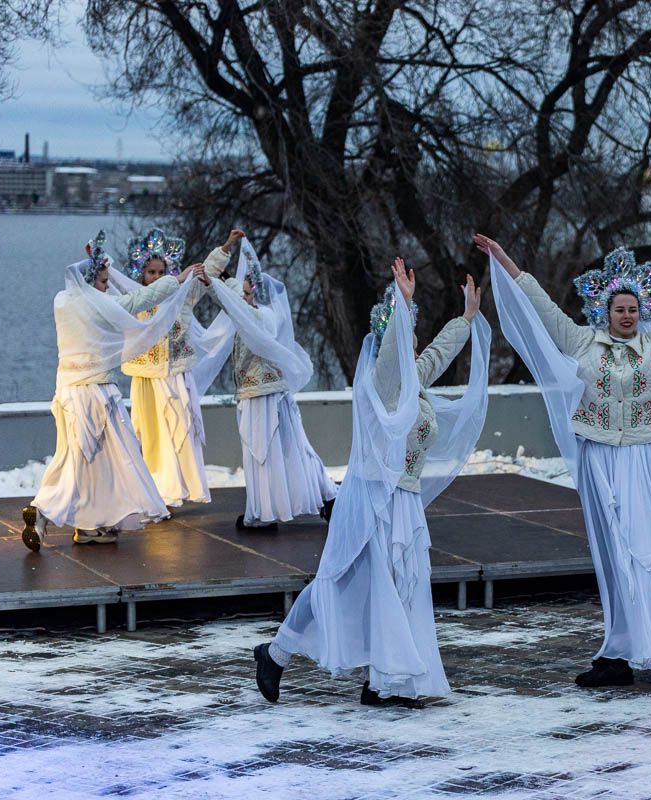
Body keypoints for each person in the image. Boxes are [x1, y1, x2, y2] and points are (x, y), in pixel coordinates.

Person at [475, 230, 651, 687]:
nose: (627, 315)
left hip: (635, 459)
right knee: (610, 551)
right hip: (597, 456)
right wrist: (505, 260)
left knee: (640, 547)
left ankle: (645, 642)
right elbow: (541, 305)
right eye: (619, 309)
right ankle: (619, 648)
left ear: (642, 311)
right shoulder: (582, 343)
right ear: (605, 312)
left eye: (632, 309)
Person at [254, 259, 490, 706]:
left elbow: (436, 354)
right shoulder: (381, 383)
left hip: (404, 498)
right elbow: (396, 349)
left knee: (397, 589)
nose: (414, 352)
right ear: (391, 345)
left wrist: (466, 319)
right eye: (407, 343)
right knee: (338, 582)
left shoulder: (413, 380)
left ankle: (382, 680)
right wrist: (402, 302)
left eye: (414, 345)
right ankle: (275, 653)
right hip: (373, 498)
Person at [21, 232, 208, 549]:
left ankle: (89, 525)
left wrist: (95, 263)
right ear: (91, 282)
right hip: (97, 395)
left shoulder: (62, 302)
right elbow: (140, 300)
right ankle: (45, 508)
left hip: (66, 393)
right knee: (108, 460)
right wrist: (178, 279)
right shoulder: (102, 306)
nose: (108, 287)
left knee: (86, 461)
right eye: (104, 281)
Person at [213, 242, 337, 530]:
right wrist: (224, 270)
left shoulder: (266, 317)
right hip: (261, 394)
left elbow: (244, 312)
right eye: (243, 293)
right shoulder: (251, 311)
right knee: (288, 449)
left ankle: (265, 513)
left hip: (265, 396)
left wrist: (223, 288)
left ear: (258, 294)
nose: (243, 298)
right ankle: (323, 497)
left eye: (247, 293)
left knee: (266, 451)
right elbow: (234, 298)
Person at [119, 227, 244, 507]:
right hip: (146, 378)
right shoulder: (135, 299)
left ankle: (174, 490)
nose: (156, 277)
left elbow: (204, 273)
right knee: (150, 434)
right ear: (141, 274)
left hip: (175, 376)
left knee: (179, 432)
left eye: (160, 272)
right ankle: (153, 490)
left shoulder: (182, 295)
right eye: (150, 272)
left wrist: (226, 247)